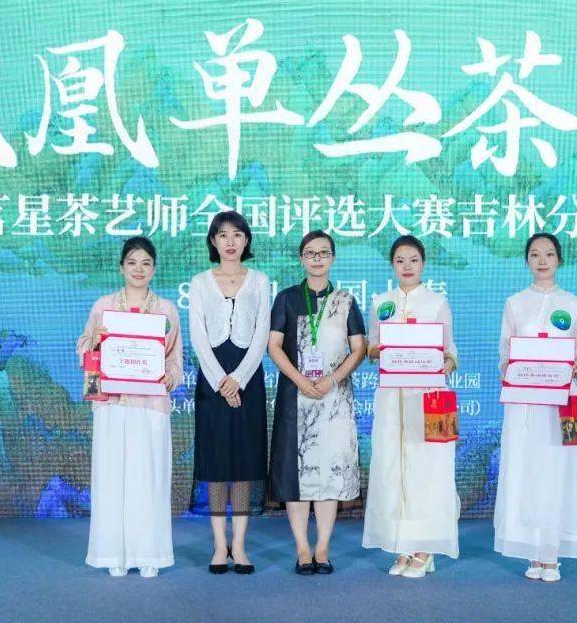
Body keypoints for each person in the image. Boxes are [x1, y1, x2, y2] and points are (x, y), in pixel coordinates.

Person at [77, 236, 182, 579]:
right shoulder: (103, 306)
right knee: (111, 479)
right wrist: (95, 340)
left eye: (146, 263)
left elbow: (175, 360)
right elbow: (84, 349)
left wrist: (168, 377)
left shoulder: (166, 310)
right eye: (132, 262)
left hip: (150, 406)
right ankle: (114, 554)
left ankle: (150, 553)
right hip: (112, 404)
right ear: (121, 267)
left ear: (154, 269)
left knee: (148, 478)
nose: (139, 269)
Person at [267, 230, 366, 575]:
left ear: (333, 258)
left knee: (328, 475)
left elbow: (359, 349)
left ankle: (322, 548)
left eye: (324, 253)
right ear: (301, 259)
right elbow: (273, 345)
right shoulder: (286, 298)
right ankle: (302, 548)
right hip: (296, 397)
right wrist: (301, 380)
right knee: (296, 478)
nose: (317, 259)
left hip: (334, 399)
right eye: (310, 253)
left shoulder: (346, 301)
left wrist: (331, 379)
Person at [362, 235, 460, 579]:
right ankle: (403, 545)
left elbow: (450, 351)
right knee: (392, 469)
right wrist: (380, 350)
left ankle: (425, 549)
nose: (407, 266)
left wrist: (445, 364)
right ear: (392, 264)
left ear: (423, 264)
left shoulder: (436, 303)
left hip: (429, 399)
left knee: (427, 470)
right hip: (391, 399)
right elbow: (371, 348)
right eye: (400, 260)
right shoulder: (381, 303)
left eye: (413, 260)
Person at [493, 232, 577, 583]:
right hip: (524, 402)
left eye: (549, 254)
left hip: (561, 400)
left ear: (559, 259)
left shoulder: (573, 304)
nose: (542, 260)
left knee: (558, 470)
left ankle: (552, 554)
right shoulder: (515, 303)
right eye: (535, 254)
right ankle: (533, 551)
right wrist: (511, 369)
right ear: (527, 261)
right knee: (526, 468)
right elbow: (505, 353)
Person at [187, 211, 271, 574]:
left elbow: (262, 334)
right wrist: (222, 381)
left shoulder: (260, 281)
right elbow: (198, 336)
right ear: (213, 241)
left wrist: (238, 379)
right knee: (217, 462)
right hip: (212, 381)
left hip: (248, 379)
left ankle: (239, 545)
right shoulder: (199, 282)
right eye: (223, 235)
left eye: (237, 234)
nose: (231, 241)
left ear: (246, 240)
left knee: (244, 462)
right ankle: (219, 545)